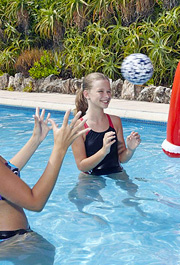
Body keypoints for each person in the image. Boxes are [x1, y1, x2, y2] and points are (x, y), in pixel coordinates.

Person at [0, 107, 90, 263]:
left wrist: (36, 139)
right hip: (13, 244)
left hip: (14, 242)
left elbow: (7, 174)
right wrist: (60, 148)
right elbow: (35, 202)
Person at [71, 72, 141, 175]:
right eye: (100, 91)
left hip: (116, 172)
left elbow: (121, 158)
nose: (107, 96)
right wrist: (104, 151)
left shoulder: (115, 122)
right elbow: (81, 165)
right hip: (91, 178)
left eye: (108, 91)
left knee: (133, 190)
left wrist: (130, 150)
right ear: (86, 94)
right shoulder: (78, 127)